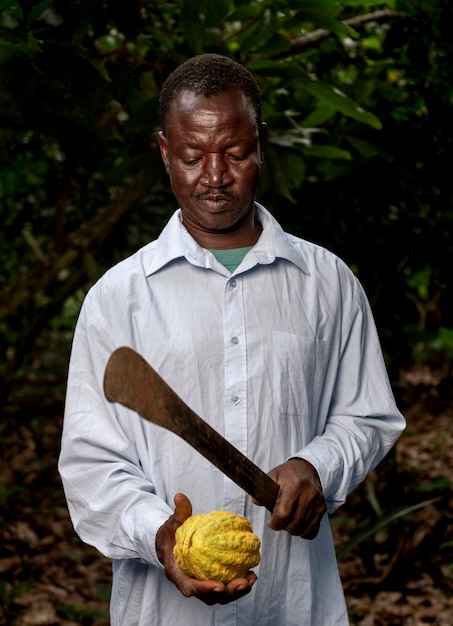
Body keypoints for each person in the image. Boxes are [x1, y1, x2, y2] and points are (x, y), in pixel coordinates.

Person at [59, 53, 405, 625]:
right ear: (166, 151)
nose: (214, 176)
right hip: (163, 613)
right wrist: (160, 537)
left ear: (261, 145)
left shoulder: (327, 284)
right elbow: (91, 464)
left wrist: (316, 465)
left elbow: (368, 418)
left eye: (236, 153)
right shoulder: (117, 298)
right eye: (192, 156)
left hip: (296, 604)